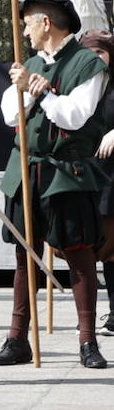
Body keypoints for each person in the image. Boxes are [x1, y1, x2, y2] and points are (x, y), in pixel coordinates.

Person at [0, 0, 109, 370]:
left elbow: (75, 115)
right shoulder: (31, 64)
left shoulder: (89, 64)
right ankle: (17, 337)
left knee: (78, 256)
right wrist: (27, 88)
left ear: (46, 22)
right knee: (25, 255)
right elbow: (10, 114)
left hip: (68, 172)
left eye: (28, 24)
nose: (24, 32)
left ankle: (88, 341)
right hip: (28, 169)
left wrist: (42, 94)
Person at [83, 30, 114, 334]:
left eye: (101, 53)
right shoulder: (79, 86)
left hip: (112, 176)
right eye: (90, 54)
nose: (95, 60)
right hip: (87, 175)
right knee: (95, 249)